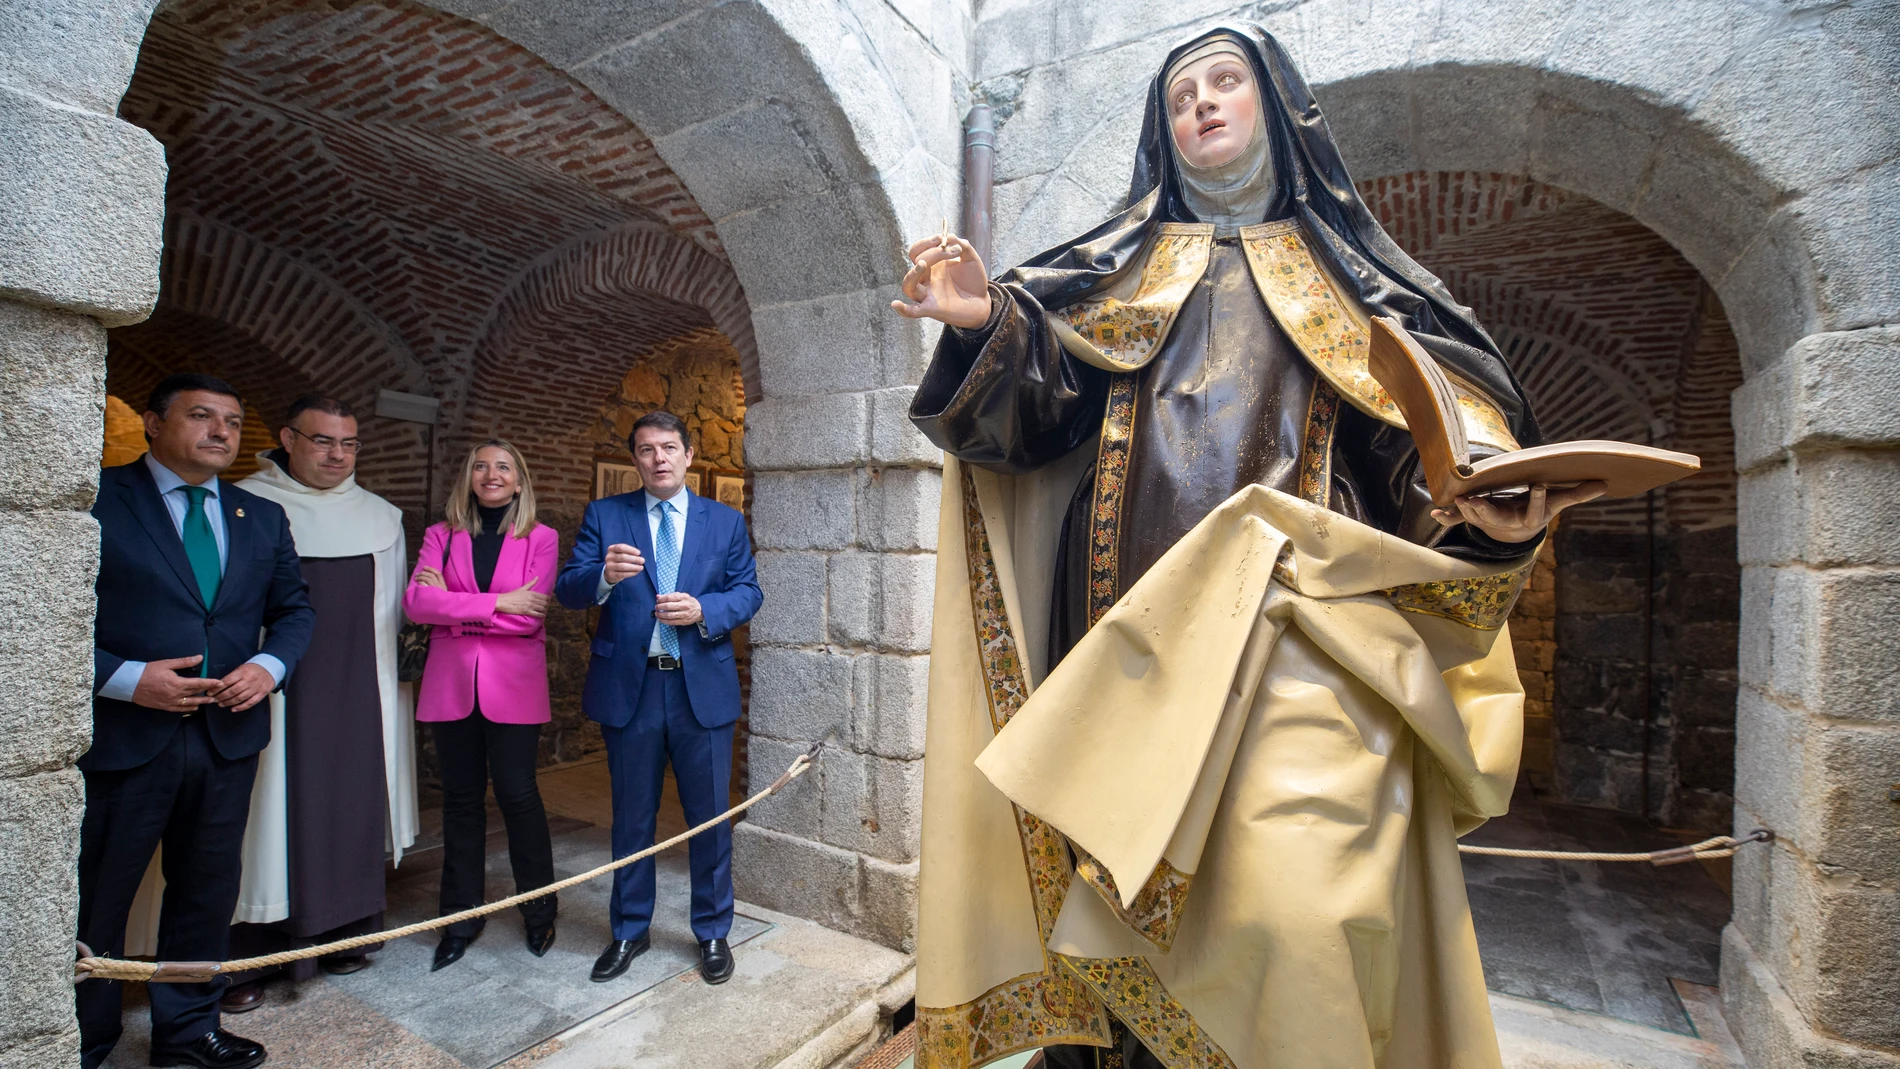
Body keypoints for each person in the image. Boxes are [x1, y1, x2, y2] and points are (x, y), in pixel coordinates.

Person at [896, 26, 1604, 1069]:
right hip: (1122, 631)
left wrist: (1475, 497)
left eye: (1225, 84)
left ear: (1279, 111)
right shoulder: (1119, 276)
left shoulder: (1358, 286)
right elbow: (1027, 424)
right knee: (1119, 879)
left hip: (1298, 634)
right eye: (1180, 96)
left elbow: (1418, 443)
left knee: (1299, 903)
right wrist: (980, 327)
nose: (1202, 107)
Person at [79, 373, 314, 1069]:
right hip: (126, 739)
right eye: (202, 416)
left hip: (226, 736)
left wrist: (269, 667)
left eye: (233, 422)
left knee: (205, 891)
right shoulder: (95, 499)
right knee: (98, 897)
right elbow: (45, 616)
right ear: (153, 423)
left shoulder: (258, 516)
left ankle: (186, 1031)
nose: (220, 431)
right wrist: (125, 679)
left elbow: (295, 610)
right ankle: (86, 1040)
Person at [216, 395, 420, 1005]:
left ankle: (346, 931)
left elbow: (395, 617)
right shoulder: (246, 504)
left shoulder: (382, 516)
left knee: (352, 802)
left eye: (349, 444)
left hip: (363, 687)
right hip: (275, 687)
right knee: (265, 811)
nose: (337, 455)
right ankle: (248, 956)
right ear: (287, 437)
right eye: (323, 441)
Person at [555, 411, 762, 986]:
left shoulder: (723, 522)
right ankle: (628, 930)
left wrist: (706, 611)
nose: (658, 459)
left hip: (702, 686)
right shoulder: (606, 515)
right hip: (633, 688)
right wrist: (602, 576)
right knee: (631, 816)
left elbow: (748, 591)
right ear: (636, 459)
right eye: (646, 450)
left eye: (669, 448)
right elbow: (568, 588)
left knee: (708, 819)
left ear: (689, 454)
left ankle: (713, 931)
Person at [403, 439, 560, 971]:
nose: (490, 474)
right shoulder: (439, 536)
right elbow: (417, 604)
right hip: (451, 686)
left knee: (518, 796)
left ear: (519, 482)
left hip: (514, 687)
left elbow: (530, 618)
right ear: (468, 477)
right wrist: (497, 603)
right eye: (480, 466)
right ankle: (459, 917)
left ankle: (539, 910)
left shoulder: (541, 538)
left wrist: (453, 607)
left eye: (503, 467)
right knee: (461, 801)